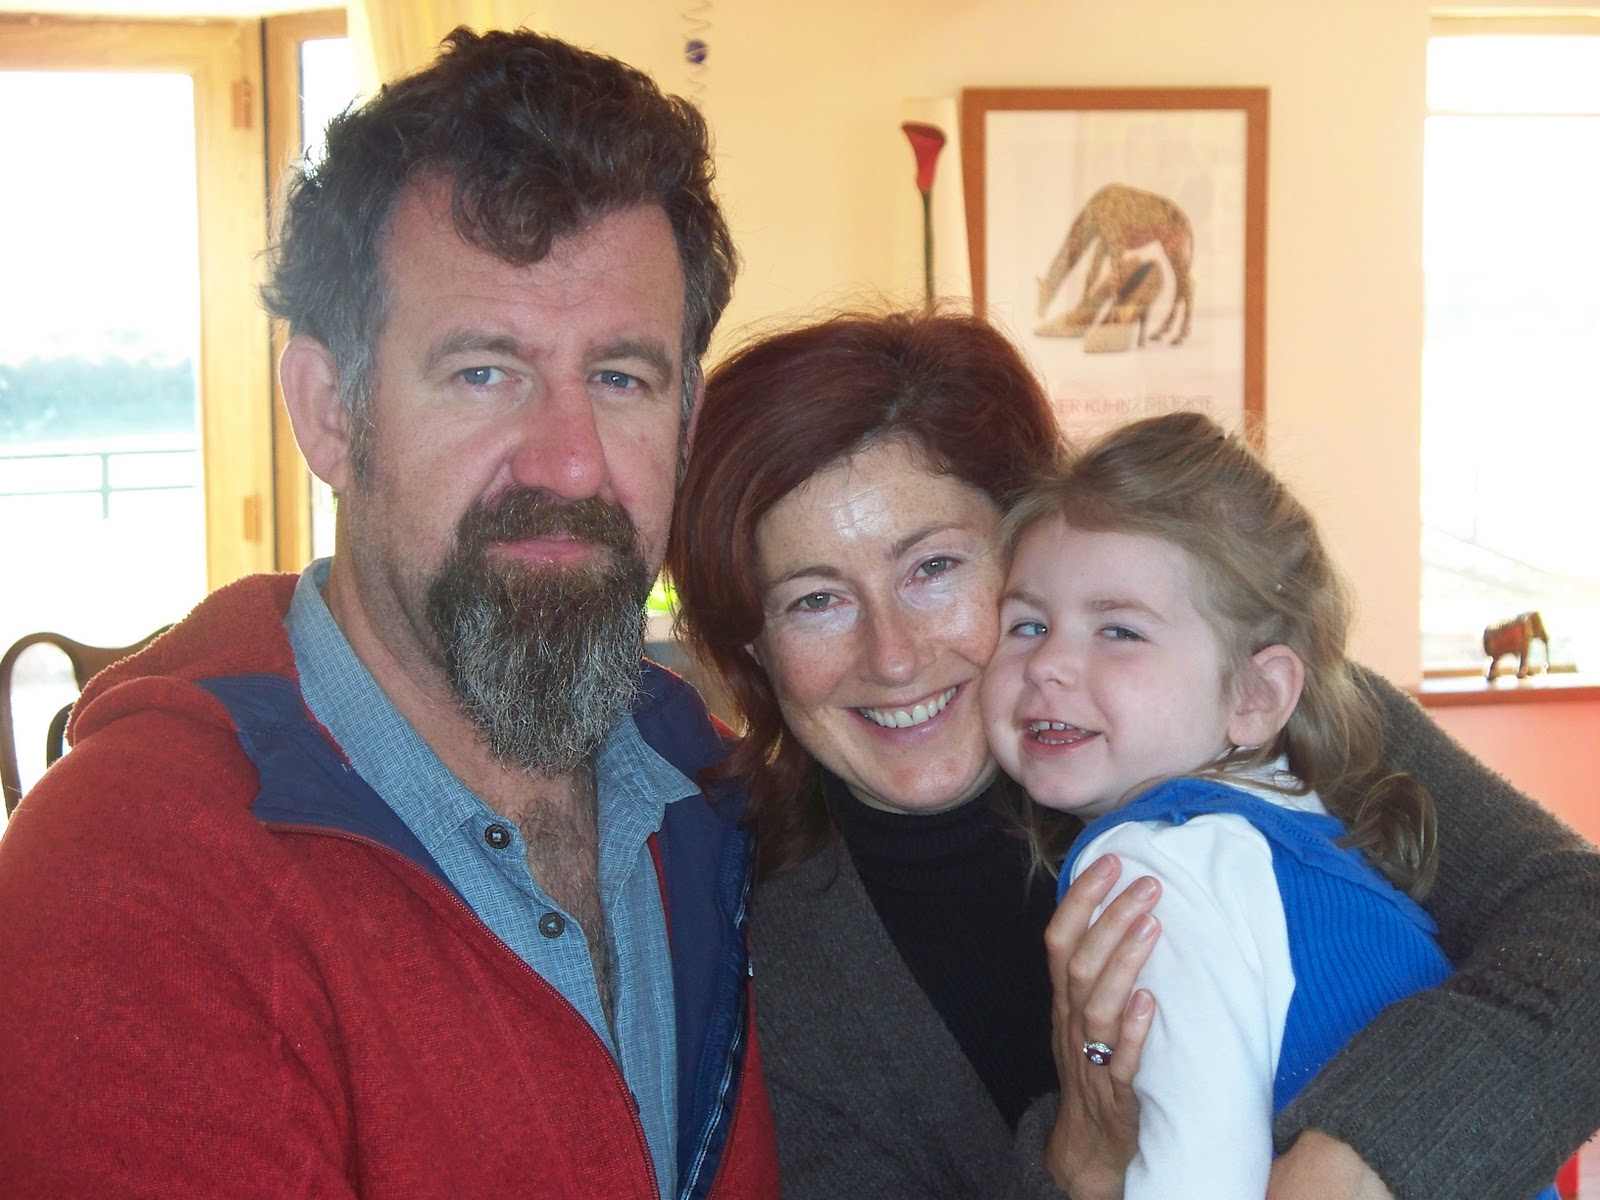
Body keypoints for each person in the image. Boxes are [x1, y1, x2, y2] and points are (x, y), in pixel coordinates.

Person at [0, 28, 778, 1199]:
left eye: (620, 377)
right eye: (484, 372)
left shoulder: (720, 801)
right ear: (329, 411)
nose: (570, 461)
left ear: (684, 418)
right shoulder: (136, 874)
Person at [664, 307, 1600, 1200]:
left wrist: (1361, 1157)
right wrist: (1077, 1170)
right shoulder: (769, 966)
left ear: (1033, 546)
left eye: (934, 567)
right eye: (815, 600)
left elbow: (1580, 927)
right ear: (755, 652)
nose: (893, 656)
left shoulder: (1266, 709)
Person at [980, 410, 1558, 1200]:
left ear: (1255, 696)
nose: (1048, 663)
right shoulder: (1305, 826)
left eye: (1118, 631)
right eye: (1027, 624)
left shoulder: (1151, 866)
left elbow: (1199, 1173)